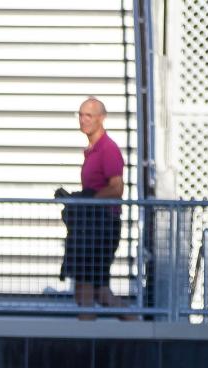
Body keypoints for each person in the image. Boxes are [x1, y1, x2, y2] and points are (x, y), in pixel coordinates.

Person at [65, 96, 134, 320]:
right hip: (91, 225)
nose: (83, 120)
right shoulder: (93, 150)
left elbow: (116, 188)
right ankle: (135, 322)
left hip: (102, 226)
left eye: (89, 116)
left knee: (88, 290)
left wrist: (88, 199)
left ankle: (86, 342)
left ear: (101, 118)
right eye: (81, 115)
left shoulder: (108, 149)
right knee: (96, 291)